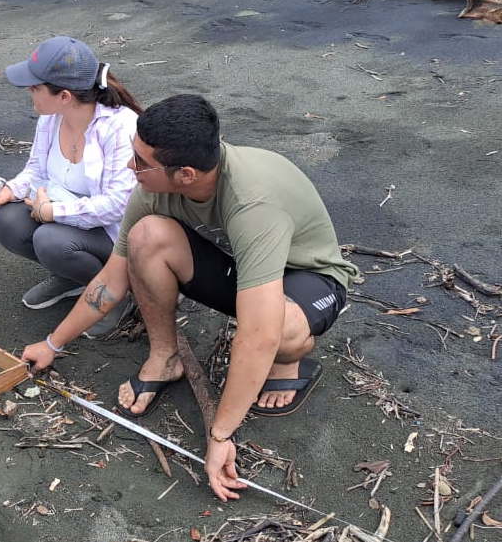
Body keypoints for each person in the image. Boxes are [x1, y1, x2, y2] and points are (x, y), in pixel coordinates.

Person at [21, 94, 358, 501]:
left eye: (141, 162)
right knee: (148, 237)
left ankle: (290, 362)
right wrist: (53, 344)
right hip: (243, 268)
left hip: (309, 276)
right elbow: (113, 276)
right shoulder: (153, 189)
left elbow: (258, 335)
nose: (132, 167)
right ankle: (164, 359)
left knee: (276, 334)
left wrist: (220, 434)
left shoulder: (253, 203)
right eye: (134, 153)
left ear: (185, 174)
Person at [0, 36, 143, 336]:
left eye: (36, 87)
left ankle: (114, 294)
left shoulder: (120, 127)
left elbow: (117, 206)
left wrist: (53, 212)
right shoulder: (52, 117)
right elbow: (36, 169)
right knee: (6, 221)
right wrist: (9, 191)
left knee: (51, 240)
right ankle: (75, 278)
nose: (29, 91)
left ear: (64, 95)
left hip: (118, 232)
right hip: (64, 211)